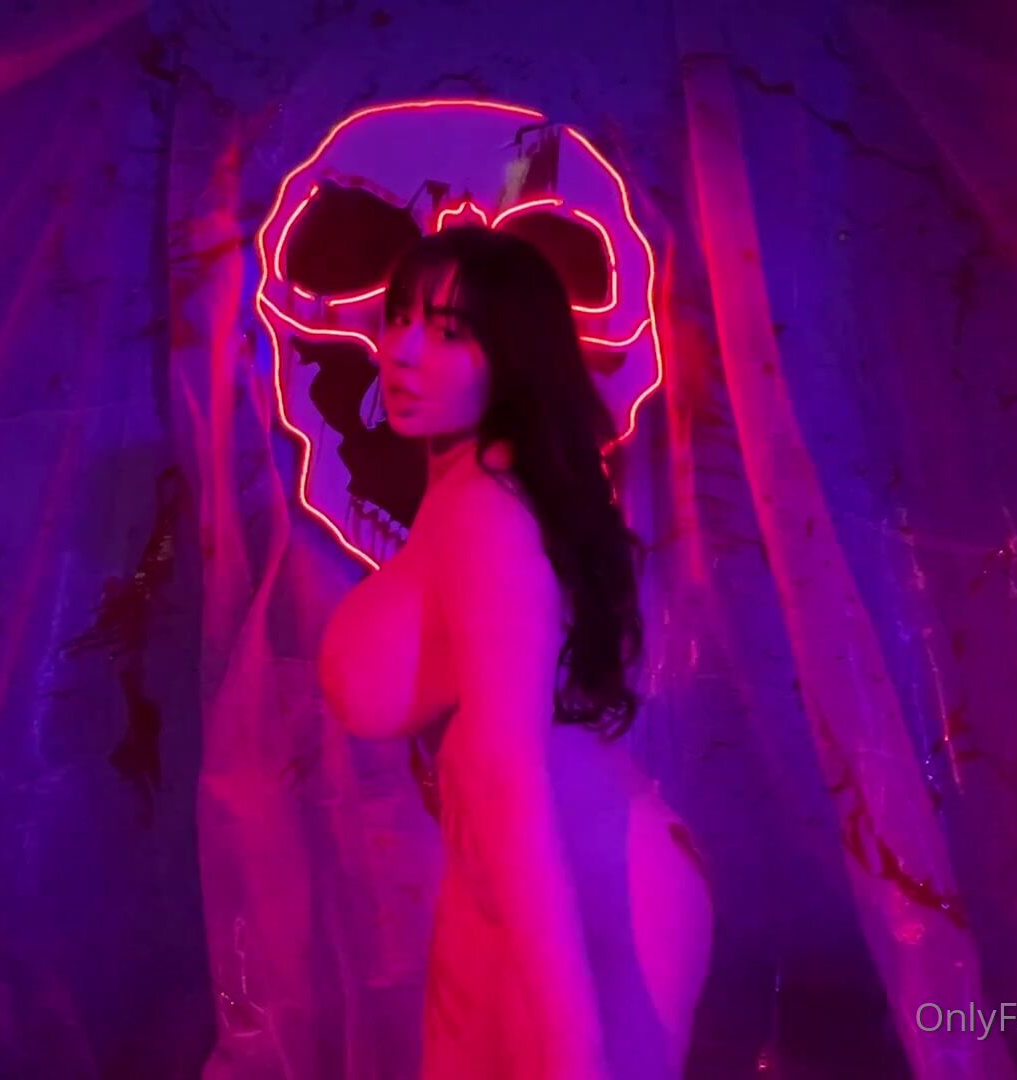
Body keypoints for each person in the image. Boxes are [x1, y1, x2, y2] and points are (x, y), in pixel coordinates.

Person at [317, 226, 714, 1079]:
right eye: (398, 317)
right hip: (515, 889)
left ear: (513, 355)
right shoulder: (470, 492)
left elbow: (507, 777)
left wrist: (570, 1047)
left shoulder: (490, 508)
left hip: (589, 893)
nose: (402, 350)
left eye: (449, 331)